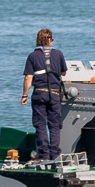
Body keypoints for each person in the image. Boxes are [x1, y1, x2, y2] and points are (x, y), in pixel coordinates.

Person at [22, 28, 68, 162]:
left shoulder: (32, 56)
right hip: (54, 93)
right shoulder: (58, 54)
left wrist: (24, 95)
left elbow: (28, 77)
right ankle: (54, 155)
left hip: (39, 93)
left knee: (40, 124)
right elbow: (64, 73)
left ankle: (44, 154)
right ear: (49, 40)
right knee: (54, 125)